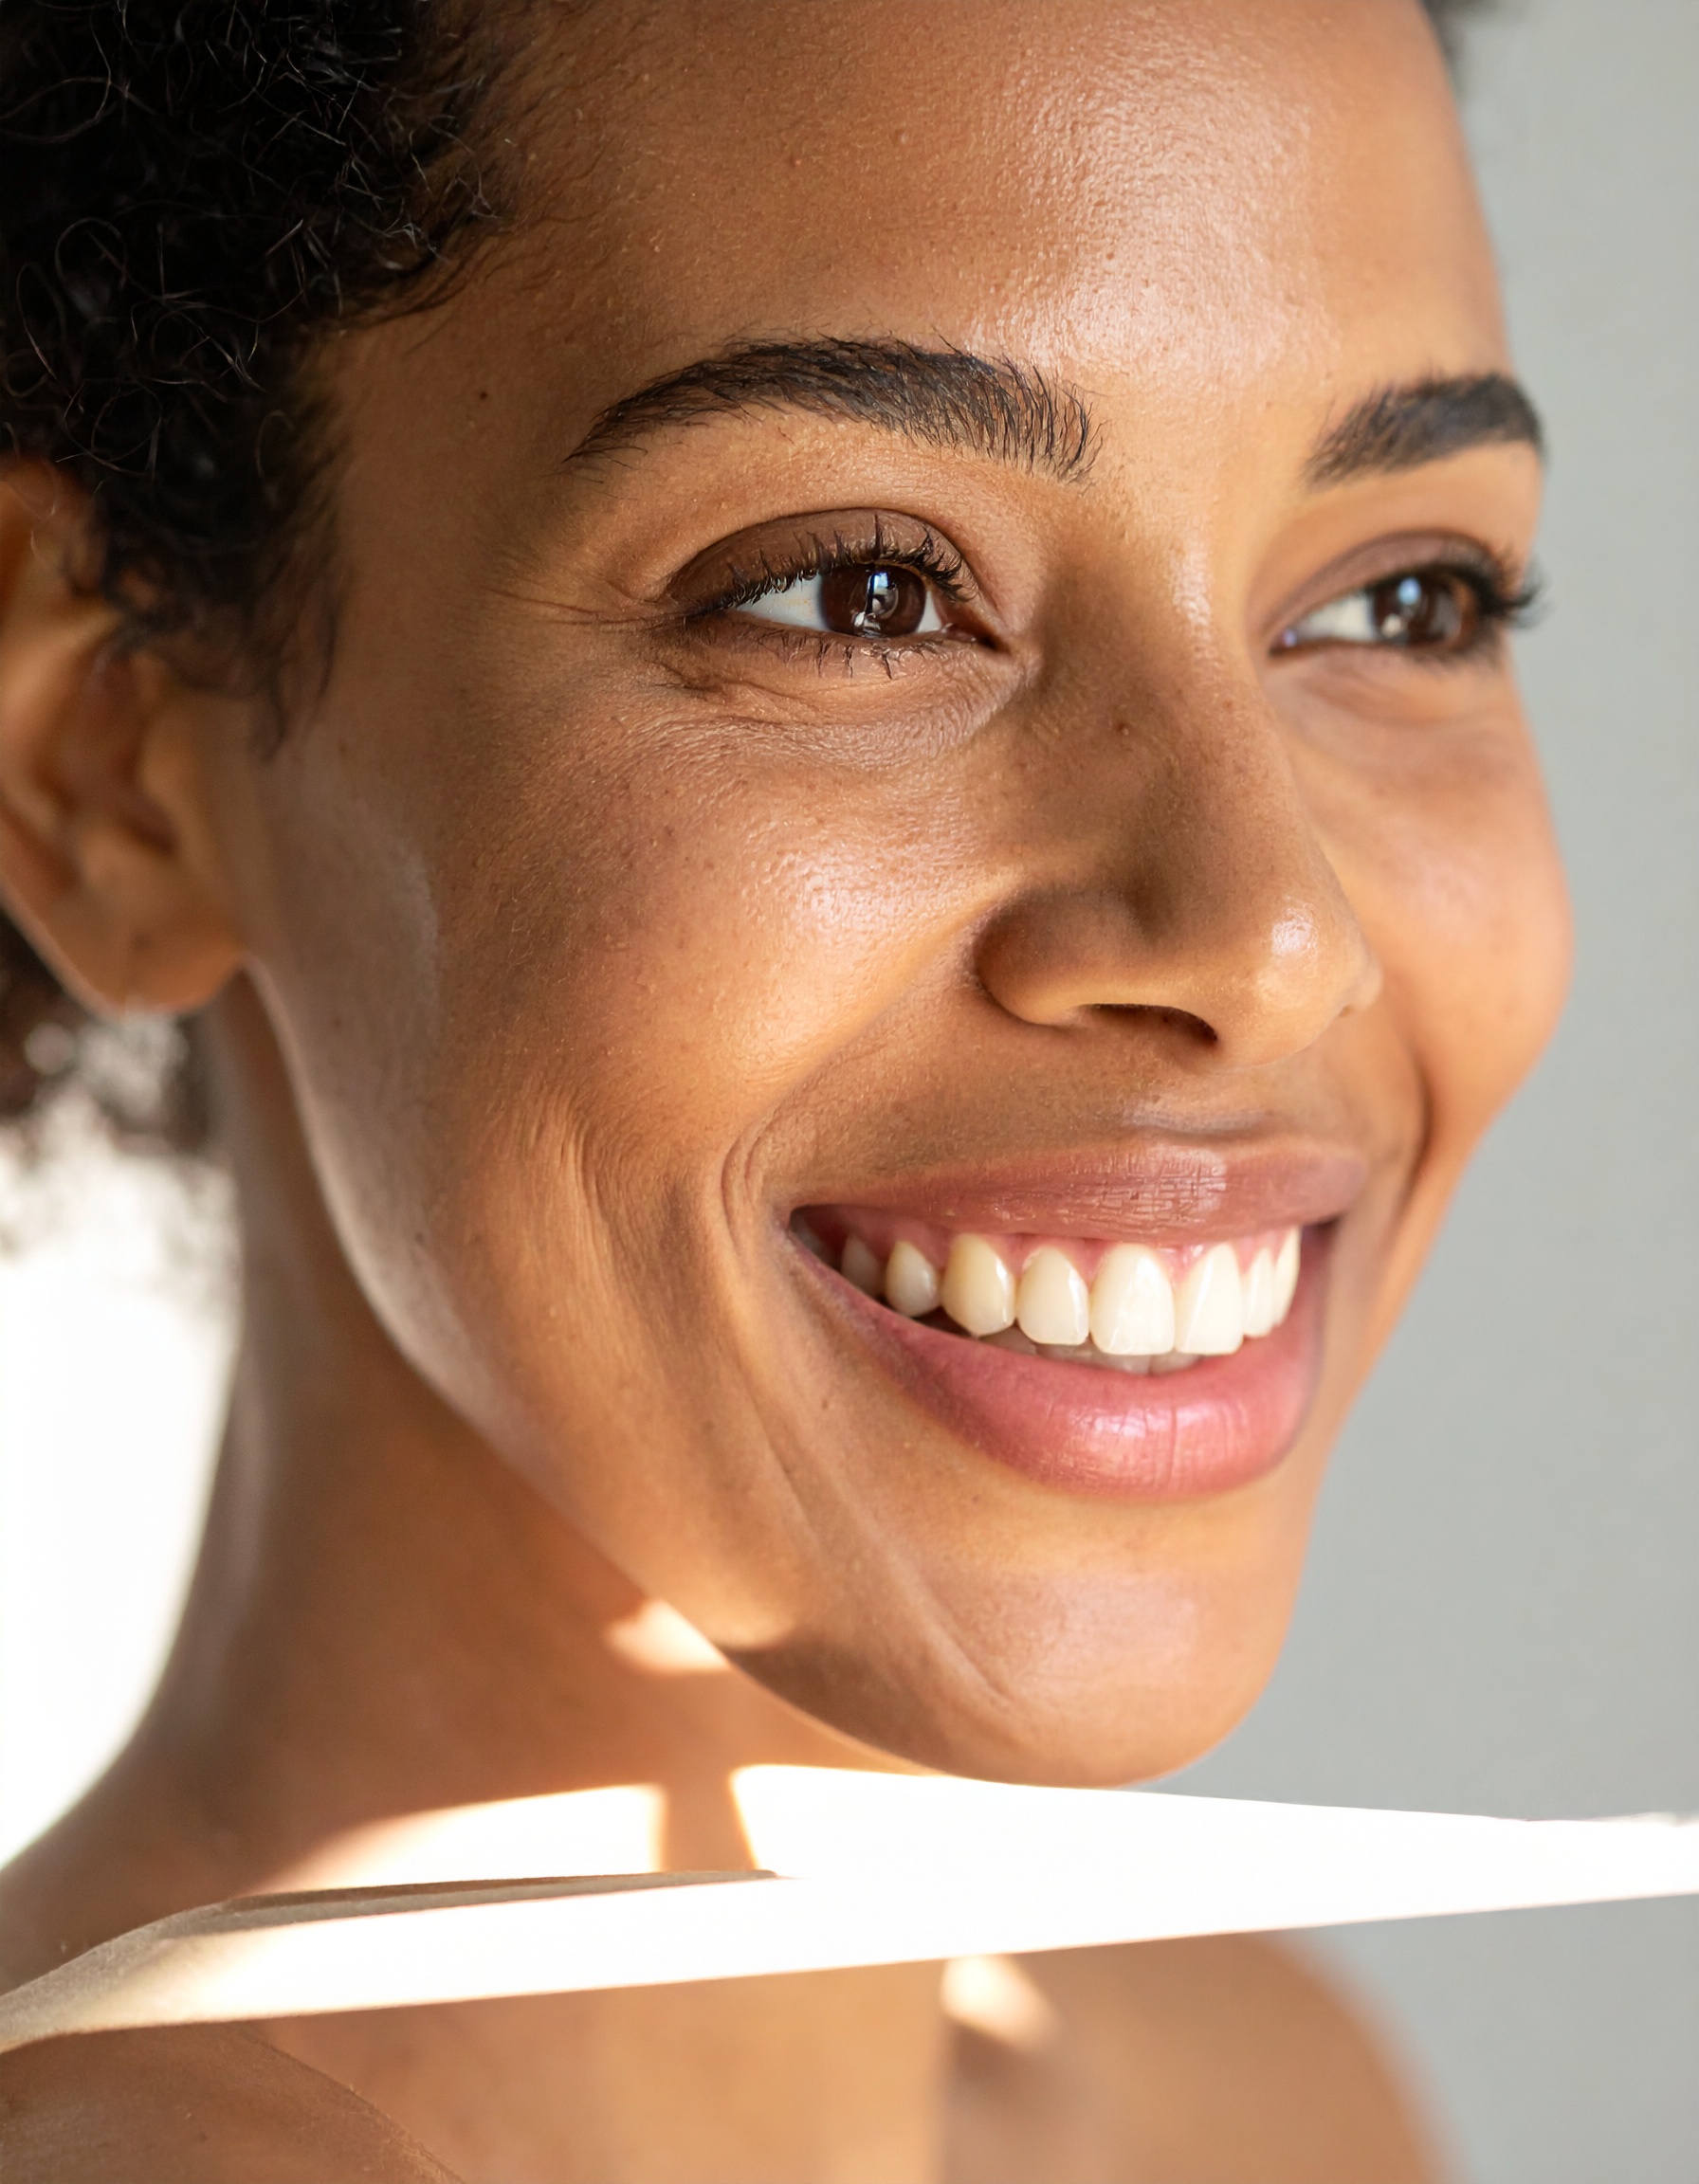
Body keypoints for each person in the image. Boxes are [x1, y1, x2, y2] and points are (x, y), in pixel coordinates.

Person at [0, 1, 1571, 2175]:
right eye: (860, 594)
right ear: (111, 775)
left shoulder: (1265, 2104)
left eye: (1401, 598)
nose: (1263, 931)